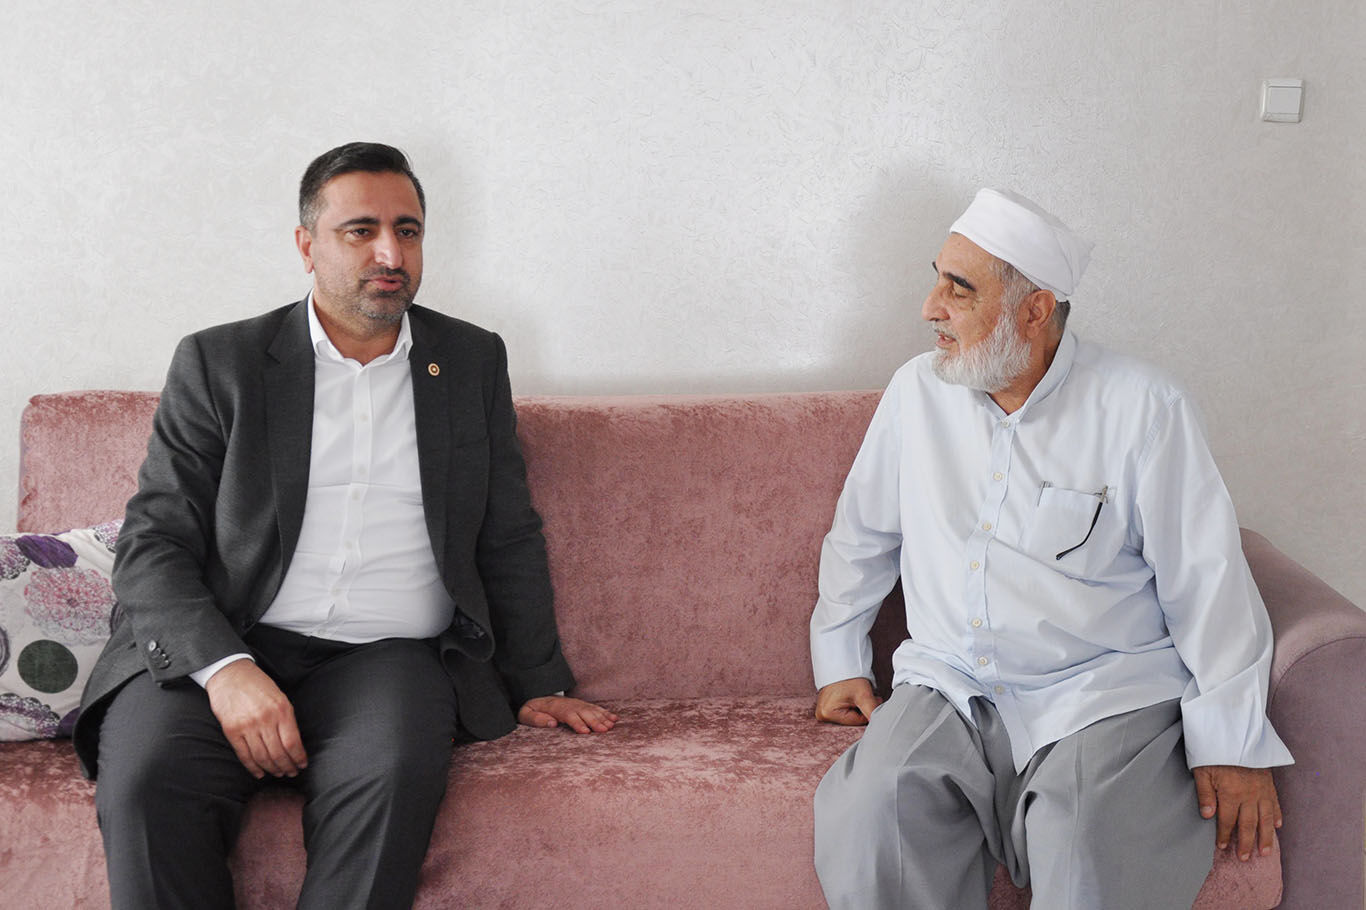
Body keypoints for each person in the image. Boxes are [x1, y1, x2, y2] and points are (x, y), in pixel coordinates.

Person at [74, 141, 618, 910]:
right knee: (146, 784)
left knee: (392, 777)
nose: (390, 253)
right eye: (360, 230)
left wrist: (537, 680)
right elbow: (154, 542)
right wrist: (226, 671)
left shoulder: (469, 361)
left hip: (386, 662)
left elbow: (507, 534)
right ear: (307, 246)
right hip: (224, 643)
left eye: (408, 230)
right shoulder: (221, 363)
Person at [809, 188, 1291, 909]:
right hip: (950, 683)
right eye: (936, 278)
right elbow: (863, 536)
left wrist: (1233, 740)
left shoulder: (1144, 406)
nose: (929, 307)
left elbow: (1207, 580)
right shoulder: (916, 392)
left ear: (1033, 311)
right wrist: (840, 659)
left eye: (959, 288)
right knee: (872, 811)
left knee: (1088, 842)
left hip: (1100, 691)